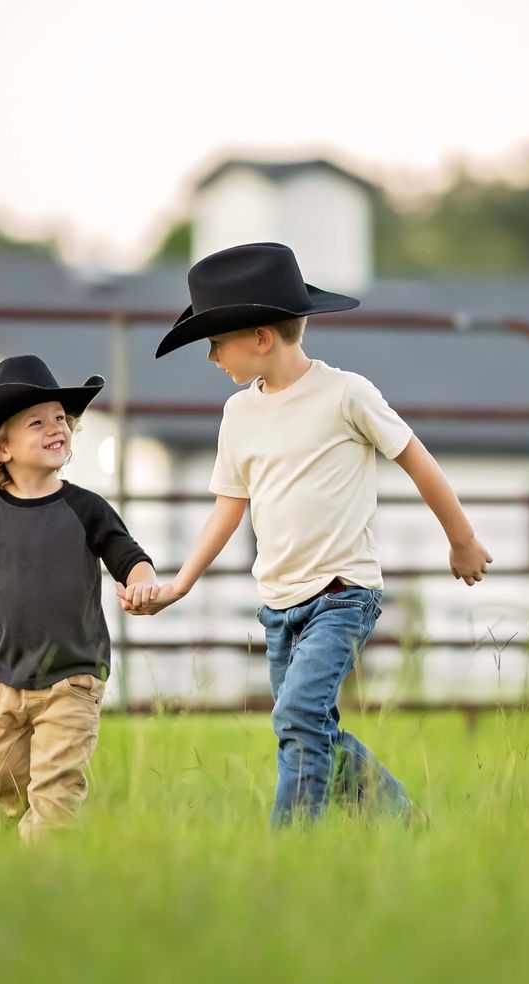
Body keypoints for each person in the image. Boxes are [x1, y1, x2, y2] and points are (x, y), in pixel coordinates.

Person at [123, 242, 493, 827]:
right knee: (309, 727)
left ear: (261, 338)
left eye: (216, 343)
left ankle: (292, 848)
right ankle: (403, 822)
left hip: (344, 595)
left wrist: (462, 538)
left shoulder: (347, 395)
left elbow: (417, 460)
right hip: (279, 605)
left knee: (297, 716)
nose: (213, 357)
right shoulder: (238, 416)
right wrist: (179, 585)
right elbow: (228, 508)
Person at [0, 354, 156, 841]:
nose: (56, 428)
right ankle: (34, 827)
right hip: (6, 678)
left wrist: (144, 581)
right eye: (37, 421)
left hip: (73, 678)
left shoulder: (84, 508)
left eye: (61, 419)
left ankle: (46, 856)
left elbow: (128, 554)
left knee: (56, 786)